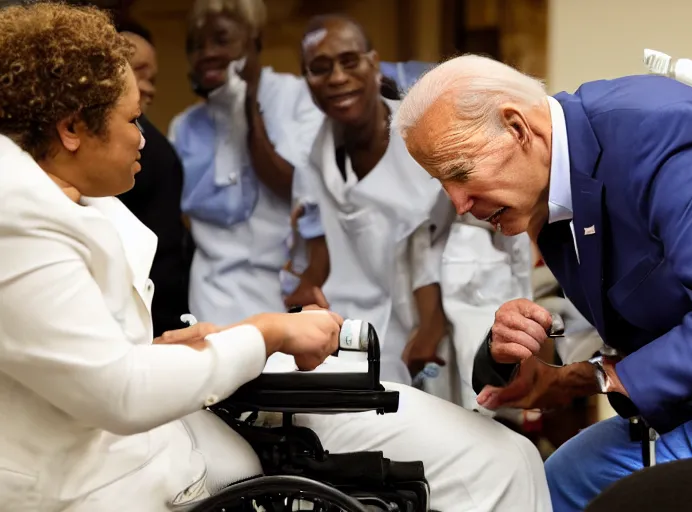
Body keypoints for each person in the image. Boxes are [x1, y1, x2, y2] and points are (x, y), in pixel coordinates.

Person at [0, 6, 552, 510]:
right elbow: (116, 389)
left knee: (502, 454)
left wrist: (161, 347)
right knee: (495, 464)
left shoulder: (76, 203)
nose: (145, 138)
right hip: (125, 470)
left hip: (206, 415)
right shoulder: (18, 223)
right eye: (132, 119)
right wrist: (266, 333)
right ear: (71, 128)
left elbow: (73, 347)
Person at [394, 52, 692, 510]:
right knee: (541, 490)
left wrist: (598, 377)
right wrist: (529, 360)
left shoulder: (657, 138)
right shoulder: (549, 185)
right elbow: (628, 324)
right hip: (684, 407)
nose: (458, 203)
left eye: (459, 172)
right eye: (442, 182)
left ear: (517, 128)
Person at [284, 15, 454, 386]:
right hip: (346, 342)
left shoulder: (422, 140)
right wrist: (302, 296)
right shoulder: (313, 158)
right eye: (319, 68)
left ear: (374, 63)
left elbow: (441, 241)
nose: (338, 78)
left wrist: (431, 325)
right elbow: (318, 255)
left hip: (428, 338)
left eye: (349, 61)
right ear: (306, 80)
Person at [169, 0, 325, 325]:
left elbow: (292, 185)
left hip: (282, 291)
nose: (207, 52)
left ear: (254, 40)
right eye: (195, 46)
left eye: (221, 40)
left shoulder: (296, 98)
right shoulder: (184, 126)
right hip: (211, 295)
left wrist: (246, 108)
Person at [116, 19, 193, 337]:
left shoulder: (147, 141)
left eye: (153, 77)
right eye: (139, 70)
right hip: (135, 315)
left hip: (159, 308)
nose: (150, 87)